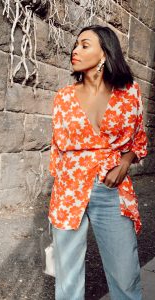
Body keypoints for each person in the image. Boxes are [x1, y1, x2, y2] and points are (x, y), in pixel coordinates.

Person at [48, 25, 148, 300]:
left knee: (125, 273)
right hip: (69, 189)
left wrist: (125, 164)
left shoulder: (129, 93)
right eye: (75, 45)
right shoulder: (64, 98)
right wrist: (60, 187)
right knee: (67, 280)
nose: (75, 50)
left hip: (111, 188)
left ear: (105, 52)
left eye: (84, 45)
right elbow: (58, 149)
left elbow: (139, 142)